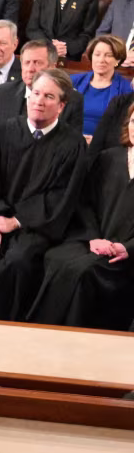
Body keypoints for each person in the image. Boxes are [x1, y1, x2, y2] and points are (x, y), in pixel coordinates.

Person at [0, 69, 87, 321]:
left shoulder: (72, 144)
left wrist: (14, 222)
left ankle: (7, 337)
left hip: (36, 226)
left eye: (49, 96)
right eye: (35, 93)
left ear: (62, 105)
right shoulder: (4, 132)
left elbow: (61, 197)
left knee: (18, 261)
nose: (39, 101)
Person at [29, 103, 134, 329]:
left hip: (124, 253)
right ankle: (40, 331)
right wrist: (93, 238)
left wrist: (127, 248)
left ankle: (72, 338)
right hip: (93, 239)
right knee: (55, 258)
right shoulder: (107, 159)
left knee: (85, 272)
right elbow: (84, 203)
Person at [0, 39, 84, 136]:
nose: (30, 69)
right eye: (27, 63)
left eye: (37, 63)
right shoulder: (4, 92)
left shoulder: (72, 99)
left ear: (53, 67)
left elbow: (70, 143)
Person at [71, 36, 132, 136]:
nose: (101, 60)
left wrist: (95, 142)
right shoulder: (73, 81)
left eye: (108, 55)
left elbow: (123, 129)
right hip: (70, 141)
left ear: (118, 60)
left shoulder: (126, 90)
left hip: (103, 146)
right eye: (97, 54)